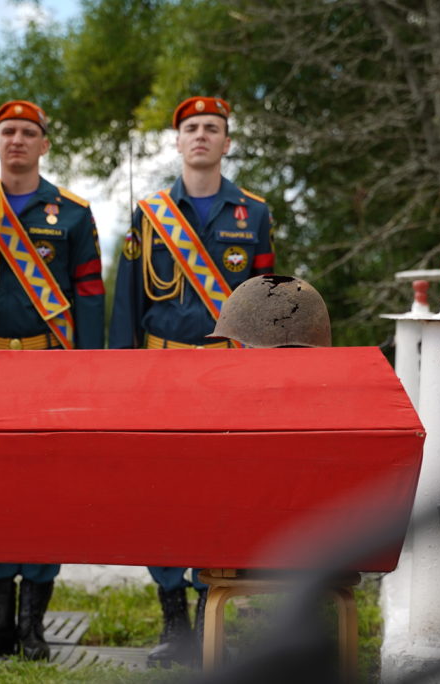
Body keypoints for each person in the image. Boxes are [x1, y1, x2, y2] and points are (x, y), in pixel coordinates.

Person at [108, 96, 276, 668]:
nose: (201, 135)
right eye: (191, 128)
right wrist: (120, 374)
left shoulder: (253, 215)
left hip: (227, 376)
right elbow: (127, 302)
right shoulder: (148, 213)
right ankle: (172, 620)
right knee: (161, 493)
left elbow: (268, 303)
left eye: (212, 128)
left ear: (227, 143)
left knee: (220, 492)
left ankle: (212, 614)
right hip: (158, 376)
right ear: (177, 142)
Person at [0, 99, 104, 661]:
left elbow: (90, 293)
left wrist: (90, 372)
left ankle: (33, 627)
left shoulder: (71, 213)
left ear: (45, 144)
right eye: (7, 131)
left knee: (45, 493)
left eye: (28, 132)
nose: (16, 139)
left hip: (51, 368)